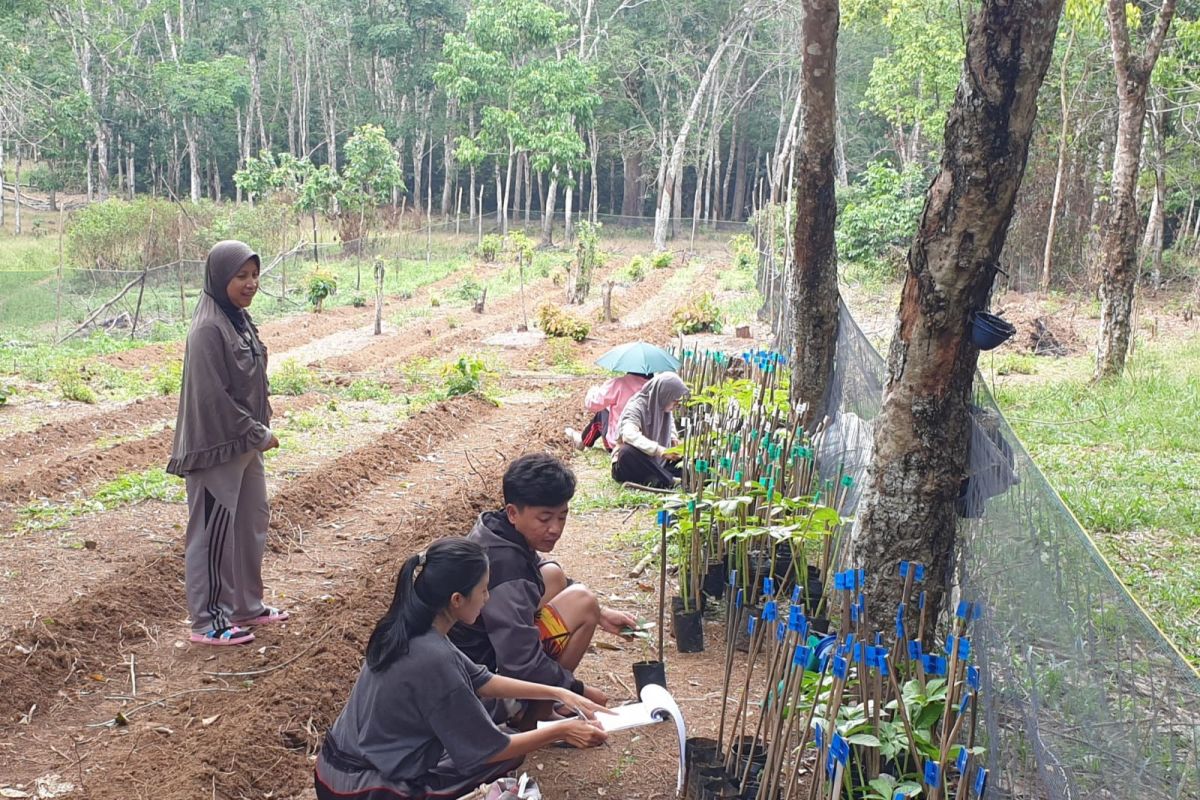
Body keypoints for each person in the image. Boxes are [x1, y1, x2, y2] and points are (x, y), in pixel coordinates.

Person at [316, 538, 609, 800]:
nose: (488, 598)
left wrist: (558, 692)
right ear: (457, 600)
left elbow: (482, 679)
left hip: (331, 771)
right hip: (362, 790)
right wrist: (563, 730)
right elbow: (489, 750)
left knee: (500, 743)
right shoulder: (433, 658)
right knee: (504, 758)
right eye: (483, 590)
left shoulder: (410, 627)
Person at [166, 240, 287, 646]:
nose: (250, 283)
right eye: (241, 276)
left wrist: (257, 428)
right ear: (220, 278)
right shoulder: (207, 329)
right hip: (217, 445)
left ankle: (245, 606)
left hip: (245, 441)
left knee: (250, 522)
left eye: (254, 275)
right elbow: (212, 398)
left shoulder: (235, 318)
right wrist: (258, 432)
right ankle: (208, 620)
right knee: (213, 532)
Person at [450, 454, 637, 708]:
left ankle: (542, 703)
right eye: (545, 518)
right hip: (478, 689)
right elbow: (520, 663)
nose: (555, 529)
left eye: (562, 516)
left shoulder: (496, 530)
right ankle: (535, 713)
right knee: (583, 602)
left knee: (554, 575)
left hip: (480, 658)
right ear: (513, 513)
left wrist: (602, 614)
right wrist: (575, 689)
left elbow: (539, 574)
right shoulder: (507, 568)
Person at [610, 373, 689, 489]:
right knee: (627, 452)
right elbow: (629, 434)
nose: (677, 404)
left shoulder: (663, 406)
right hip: (635, 464)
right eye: (675, 400)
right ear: (665, 394)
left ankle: (657, 478)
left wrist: (673, 438)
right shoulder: (636, 407)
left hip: (657, 462)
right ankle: (669, 480)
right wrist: (659, 450)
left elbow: (670, 425)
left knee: (688, 462)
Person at [565, 371, 651, 451]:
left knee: (603, 411)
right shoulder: (656, 388)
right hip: (647, 444)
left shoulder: (619, 383)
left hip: (616, 445)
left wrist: (592, 391)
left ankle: (583, 441)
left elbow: (592, 404)